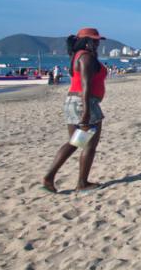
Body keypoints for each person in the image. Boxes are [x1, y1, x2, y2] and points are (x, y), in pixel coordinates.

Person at [42, 27, 108, 193]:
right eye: (94, 40)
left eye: (98, 40)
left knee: (75, 142)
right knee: (89, 145)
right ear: (86, 41)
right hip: (85, 103)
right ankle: (82, 183)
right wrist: (86, 111)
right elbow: (86, 85)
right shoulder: (86, 57)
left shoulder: (76, 56)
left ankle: (49, 177)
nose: (97, 43)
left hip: (72, 102)